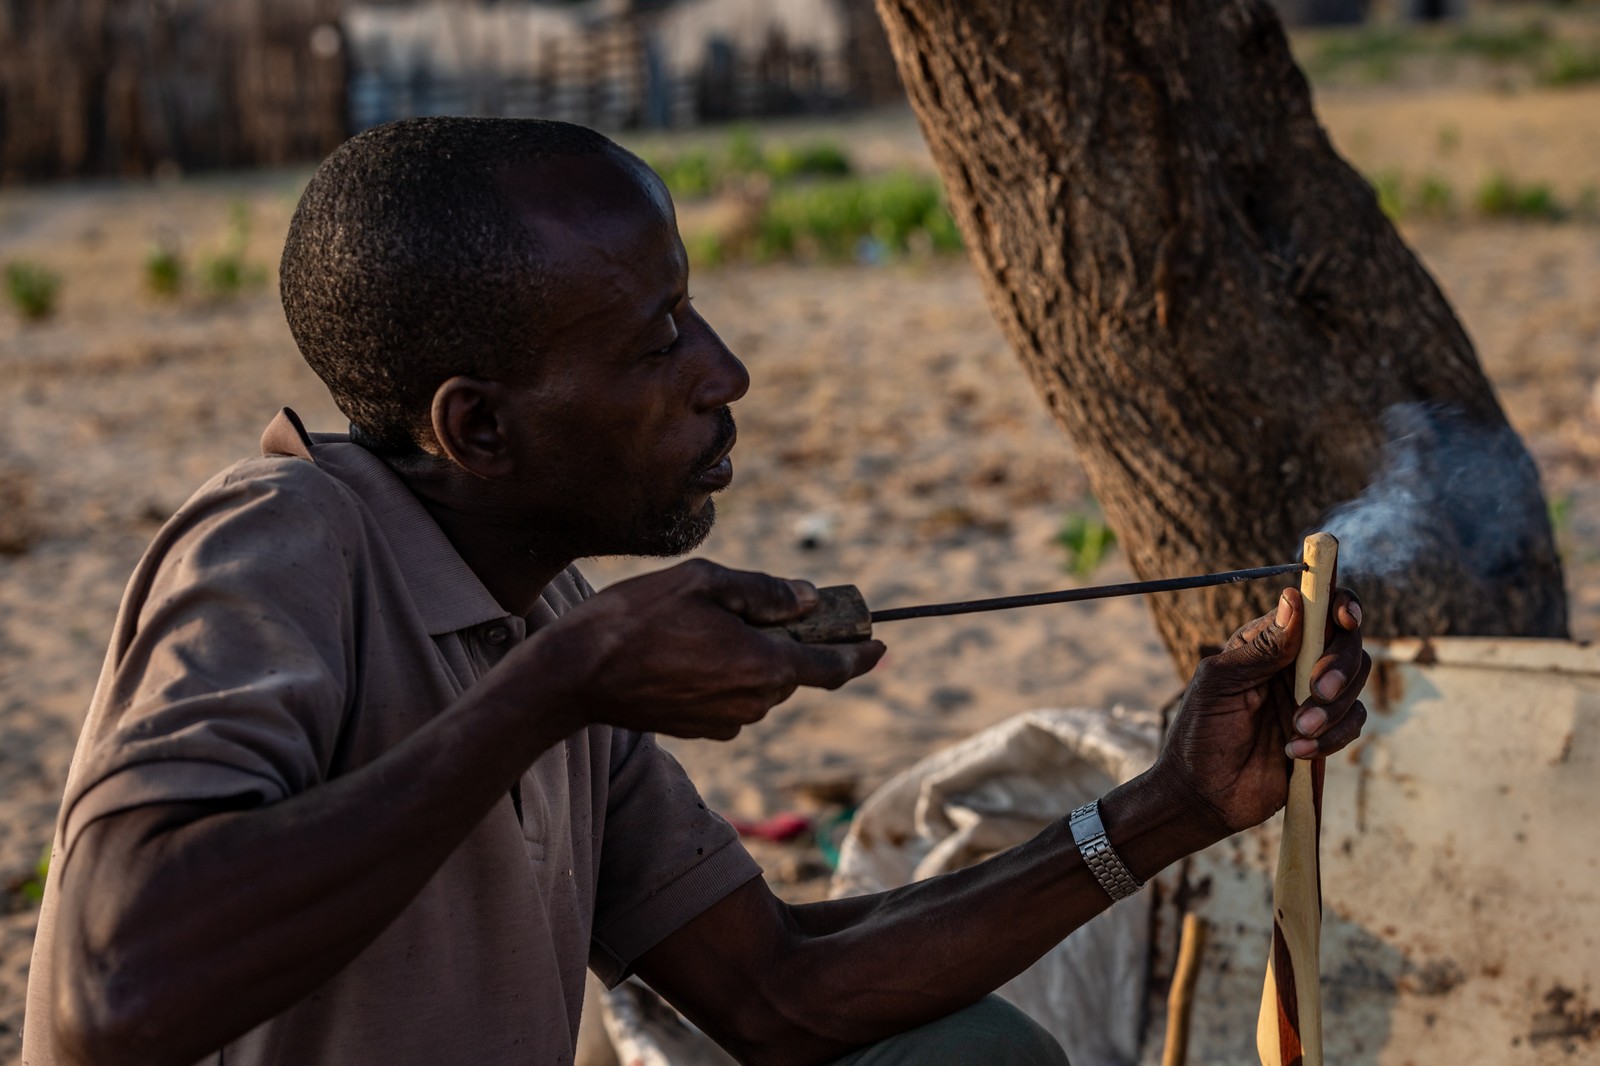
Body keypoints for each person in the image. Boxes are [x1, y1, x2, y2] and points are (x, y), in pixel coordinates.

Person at [21, 117, 1369, 1066]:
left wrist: (1171, 805)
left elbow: (779, 996)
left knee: (967, 1049)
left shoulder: (541, 619)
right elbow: (116, 988)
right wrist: (556, 689)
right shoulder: (284, 537)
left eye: (695, 312)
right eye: (655, 337)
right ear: (476, 429)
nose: (722, 371)